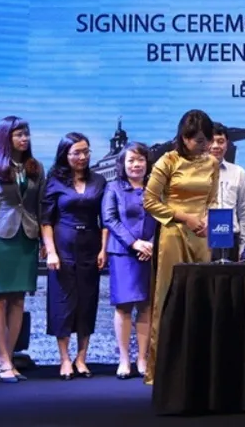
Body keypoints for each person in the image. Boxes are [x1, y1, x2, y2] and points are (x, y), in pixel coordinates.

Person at [143, 109, 219, 386]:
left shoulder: (212, 163)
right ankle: (161, 369)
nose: (204, 145)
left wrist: (208, 220)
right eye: (198, 140)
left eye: (207, 140)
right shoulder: (167, 160)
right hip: (173, 234)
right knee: (168, 297)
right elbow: (150, 201)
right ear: (184, 138)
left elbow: (212, 200)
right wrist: (184, 217)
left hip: (202, 236)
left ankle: (199, 367)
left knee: (202, 298)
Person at [0, 116, 45, 383]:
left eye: (26, 133)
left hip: (27, 238)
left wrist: (43, 241)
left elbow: (40, 206)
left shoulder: (35, 167)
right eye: (19, 134)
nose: (25, 138)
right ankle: (3, 361)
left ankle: (10, 358)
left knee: (18, 300)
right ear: (6, 137)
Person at [41, 132, 108, 380]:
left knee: (87, 302)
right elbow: (46, 221)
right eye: (76, 153)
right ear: (65, 155)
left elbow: (105, 220)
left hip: (91, 246)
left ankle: (81, 358)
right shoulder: (54, 182)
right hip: (62, 247)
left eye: (86, 152)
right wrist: (51, 252)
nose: (82, 157)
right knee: (62, 303)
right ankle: (65, 359)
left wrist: (103, 249)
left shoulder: (99, 181)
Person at [101, 141, 156, 380]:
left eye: (140, 160)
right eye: (131, 160)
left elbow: (163, 218)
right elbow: (110, 219)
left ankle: (142, 358)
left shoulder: (155, 187)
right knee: (123, 307)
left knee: (145, 305)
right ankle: (124, 359)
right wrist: (134, 243)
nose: (136, 164)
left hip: (149, 252)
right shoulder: (113, 187)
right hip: (123, 253)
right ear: (122, 164)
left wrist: (150, 244)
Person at [208, 123, 245, 260]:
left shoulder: (238, 172)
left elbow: (244, 211)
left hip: (231, 237)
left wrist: (243, 245)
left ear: (227, 144)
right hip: (203, 237)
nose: (216, 146)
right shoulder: (192, 173)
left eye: (220, 141)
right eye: (211, 141)